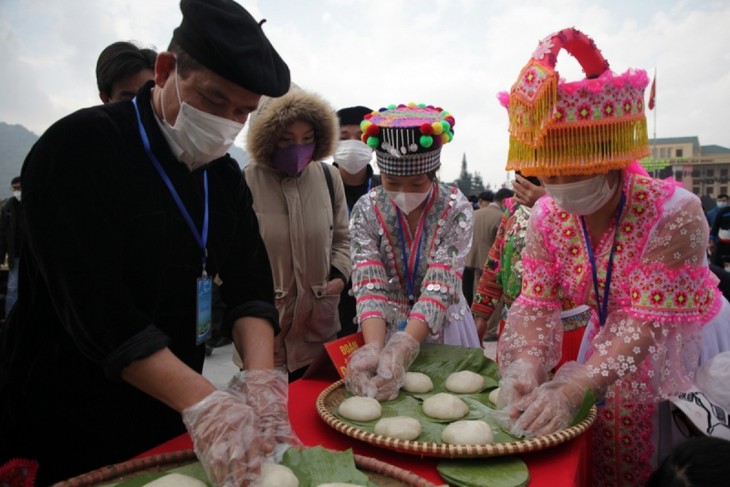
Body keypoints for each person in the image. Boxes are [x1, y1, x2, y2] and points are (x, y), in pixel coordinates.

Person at [0, 0, 293, 485]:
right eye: (214, 100)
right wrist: (207, 403)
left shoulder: (222, 176)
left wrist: (261, 384)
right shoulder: (78, 148)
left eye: (243, 111)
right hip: (66, 410)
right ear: (165, 70)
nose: (227, 122)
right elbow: (98, 310)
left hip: (170, 409)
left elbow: (250, 283)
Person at [493, 28, 730, 486]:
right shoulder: (547, 214)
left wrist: (576, 385)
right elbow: (535, 302)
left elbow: (645, 322)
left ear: (611, 153)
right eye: (551, 169)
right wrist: (525, 362)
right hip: (604, 344)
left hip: (681, 345)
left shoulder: (674, 212)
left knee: (677, 466)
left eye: (575, 168)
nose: (560, 183)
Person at [344, 103, 481, 401]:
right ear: (381, 174)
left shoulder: (455, 208)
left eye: (417, 182)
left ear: (434, 173)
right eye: (393, 183)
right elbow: (369, 283)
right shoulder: (366, 210)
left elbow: (441, 285)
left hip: (445, 327)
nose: (404, 192)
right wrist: (375, 348)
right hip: (382, 326)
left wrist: (405, 344)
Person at [239, 84, 351, 382]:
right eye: (286, 140)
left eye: (307, 139)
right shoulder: (242, 182)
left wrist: (338, 275)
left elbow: (343, 238)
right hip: (265, 335)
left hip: (318, 333)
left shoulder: (329, 178)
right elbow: (228, 257)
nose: (298, 149)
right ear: (266, 139)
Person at [472, 175, 550, 345]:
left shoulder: (575, 207)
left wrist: (546, 203)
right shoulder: (513, 210)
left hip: (563, 323)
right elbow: (495, 261)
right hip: (513, 322)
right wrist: (482, 315)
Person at [332, 105, 381, 338]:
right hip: (330, 299)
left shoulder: (385, 189)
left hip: (377, 300)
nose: (352, 144)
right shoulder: (316, 184)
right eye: (343, 137)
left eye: (360, 137)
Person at [464, 187, 512, 310]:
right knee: (492, 302)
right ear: (504, 202)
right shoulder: (502, 217)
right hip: (493, 266)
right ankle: (489, 328)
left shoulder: (475, 214)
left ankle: (476, 323)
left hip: (474, 261)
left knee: (477, 296)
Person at [0, 177, 24, 319]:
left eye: (19, 188)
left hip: (32, 254)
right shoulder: (8, 208)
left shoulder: (32, 204)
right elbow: (2, 234)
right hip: (15, 255)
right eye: (14, 188)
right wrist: (1, 257)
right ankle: (10, 319)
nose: (17, 191)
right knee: (13, 288)